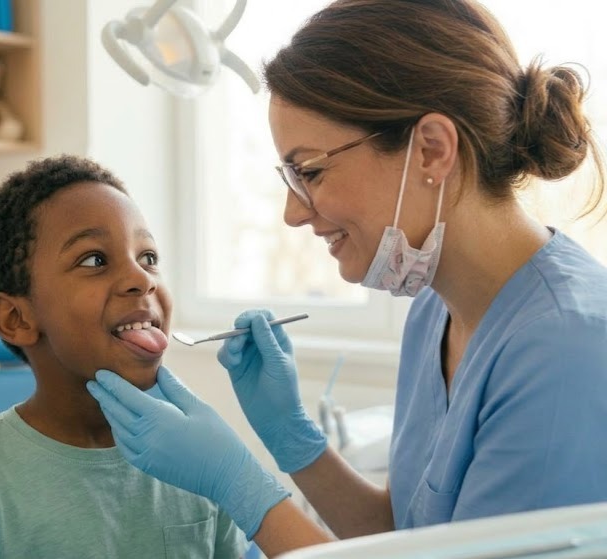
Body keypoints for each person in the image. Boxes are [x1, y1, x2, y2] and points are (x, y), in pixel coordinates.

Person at [85, 0, 607, 556]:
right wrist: (295, 441)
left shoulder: (567, 348)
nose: (293, 211)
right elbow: (408, 538)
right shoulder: (436, 309)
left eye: (309, 171)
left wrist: (239, 484)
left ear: (431, 149)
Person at [0, 155, 248, 558]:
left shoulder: (200, 458)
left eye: (148, 258)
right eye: (94, 260)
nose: (142, 279)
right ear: (16, 318)